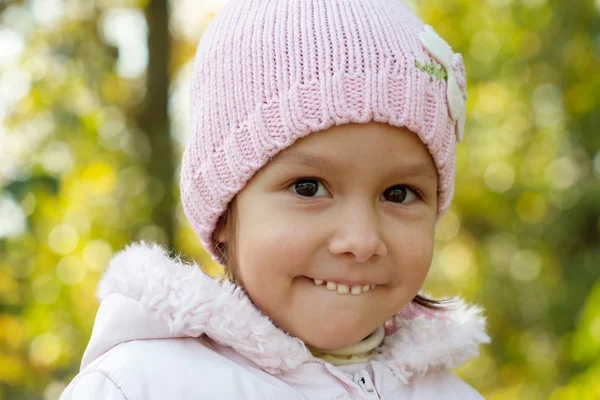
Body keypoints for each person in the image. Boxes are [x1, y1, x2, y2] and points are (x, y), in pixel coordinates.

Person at [60, 0, 491, 398]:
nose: (361, 240)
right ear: (225, 212)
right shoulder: (139, 386)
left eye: (399, 194)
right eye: (308, 187)